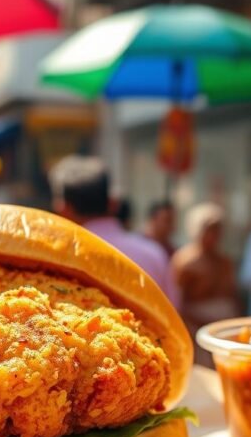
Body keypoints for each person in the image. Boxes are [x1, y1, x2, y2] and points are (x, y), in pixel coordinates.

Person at [48, 155, 178, 305]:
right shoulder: (154, 254)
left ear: (62, 208)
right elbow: (173, 315)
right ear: (113, 203)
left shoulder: (56, 257)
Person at [172, 203, 240, 366]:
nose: (214, 235)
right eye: (210, 229)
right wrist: (200, 325)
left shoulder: (224, 262)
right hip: (197, 330)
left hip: (223, 331)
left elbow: (232, 295)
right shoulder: (185, 261)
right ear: (197, 230)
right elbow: (178, 305)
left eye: (217, 230)